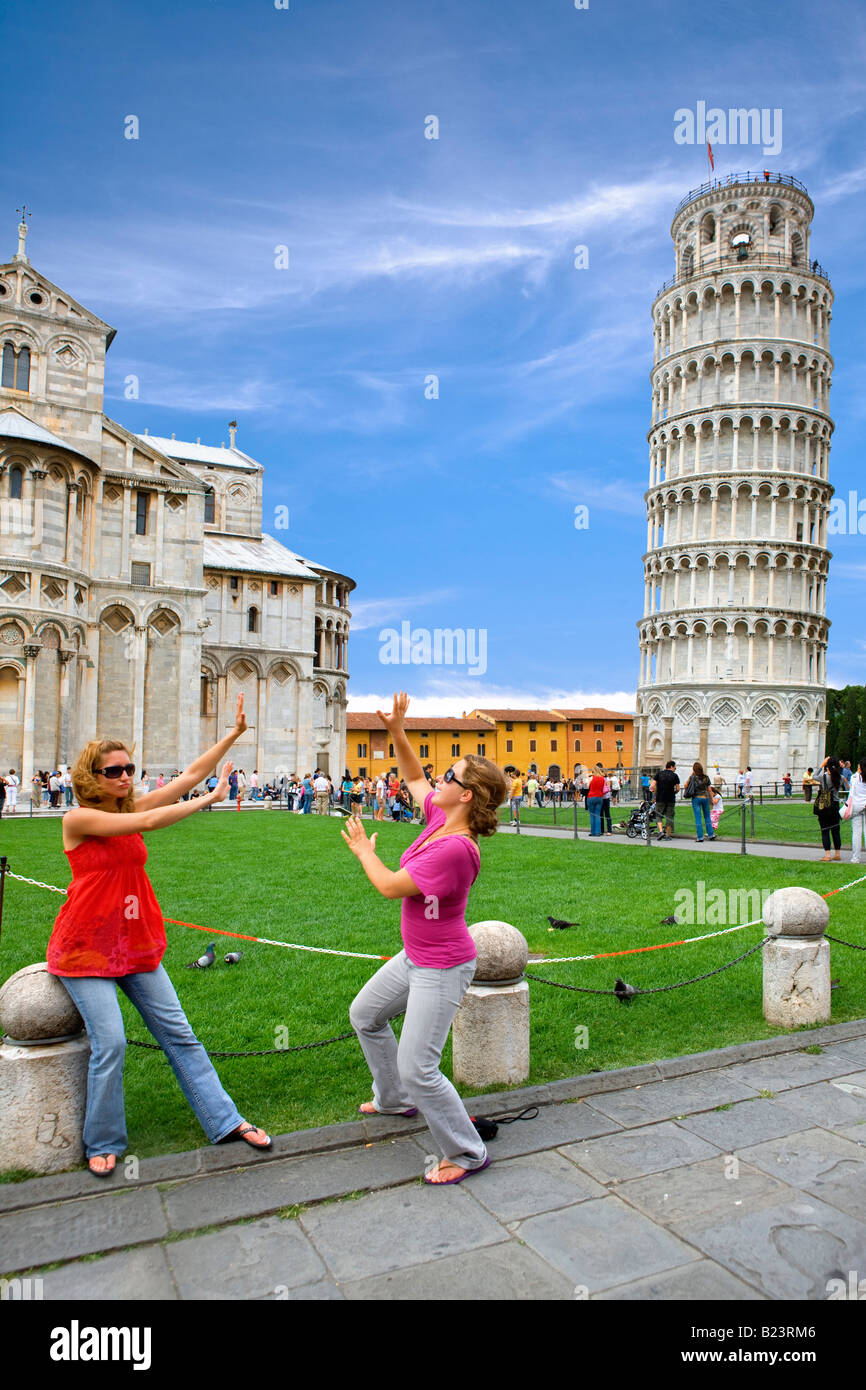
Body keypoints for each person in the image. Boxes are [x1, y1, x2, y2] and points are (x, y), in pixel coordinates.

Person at [45, 694, 270, 1177]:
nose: (125, 776)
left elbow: (187, 776)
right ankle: (103, 1140)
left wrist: (232, 736)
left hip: (135, 943)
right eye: (114, 771)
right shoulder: (79, 818)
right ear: (91, 777)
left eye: (129, 767)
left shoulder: (127, 808)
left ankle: (225, 1120)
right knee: (113, 1043)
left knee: (180, 1036)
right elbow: (146, 820)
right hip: (85, 947)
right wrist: (209, 801)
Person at [343, 692, 506, 1186]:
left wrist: (362, 850)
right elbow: (414, 777)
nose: (440, 780)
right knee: (366, 1015)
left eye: (450, 777)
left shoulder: (456, 848)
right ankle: (394, 1101)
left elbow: (391, 887)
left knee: (420, 1067)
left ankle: (467, 1151)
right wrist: (396, 730)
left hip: (442, 966)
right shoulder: (441, 817)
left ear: (468, 796)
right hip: (416, 956)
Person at [814, 756, 843, 862]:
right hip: (835, 805)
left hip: (825, 806)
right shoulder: (840, 777)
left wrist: (822, 765)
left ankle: (827, 855)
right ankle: (837, 853)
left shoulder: (824, 777)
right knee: (836, 831)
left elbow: (814, 776)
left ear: (828, 766)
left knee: (825, 830)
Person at [684, 761, 715, 842]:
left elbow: (685, 785)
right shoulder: (706, 777)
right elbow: (709, 789)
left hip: (696, 798)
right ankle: (711, 834)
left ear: (694, 769)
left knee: (698, 817)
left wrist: (691, 775)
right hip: (705, 798)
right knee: (707, 816)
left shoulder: (693, 777)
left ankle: (700, 837)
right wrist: (712, 800)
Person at [651, 760, 680, 839]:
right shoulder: (675, 776)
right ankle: (667, 834)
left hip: (660, 798)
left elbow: (653, 786)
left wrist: (656, 794)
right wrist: (674, 792)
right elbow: (677, 788)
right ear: (671, 767)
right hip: (670, 799)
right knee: (669, 816)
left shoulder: (659, 774)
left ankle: (660, 831)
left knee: (658, 815)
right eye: (675, 767)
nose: (675, 769)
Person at [848, 758, 866, 865]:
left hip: (856, 806)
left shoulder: (854, 777)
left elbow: (852, 791)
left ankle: (856, 857)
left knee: (856, 832)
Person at [586, 764, 606, 836]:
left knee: (592, 815)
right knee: (597, 815)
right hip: (599, 797)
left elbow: (588, 786)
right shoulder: (602, 779)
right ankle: (598, 832)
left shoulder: (591, 778)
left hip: (591, 796)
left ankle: (593, 832)